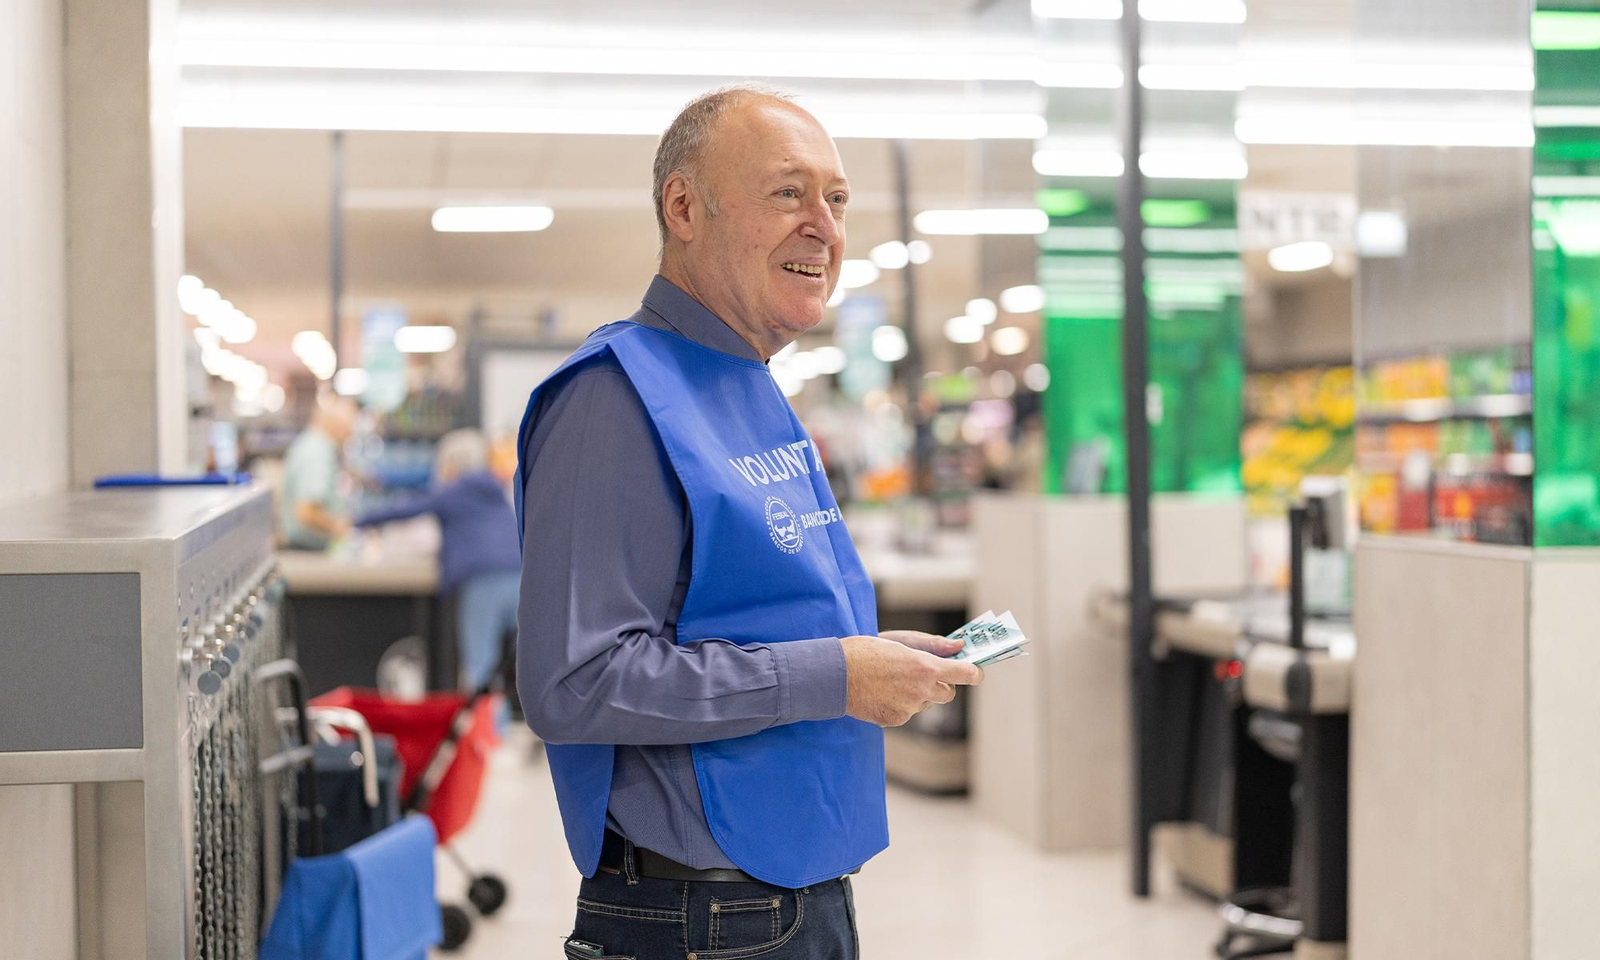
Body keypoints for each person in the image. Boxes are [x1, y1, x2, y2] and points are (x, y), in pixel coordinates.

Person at [514, 84, 984, 960]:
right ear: (684, 207)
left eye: (836, 199)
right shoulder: (613, 399)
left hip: (790, 897)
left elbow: (756, 612)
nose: (825, 226)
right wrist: (834, 677)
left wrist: (874, 661)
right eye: (788, 192)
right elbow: (573, 681)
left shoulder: (749, 385)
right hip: (704, 920)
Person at [354, 429, 521, 690]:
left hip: (483, 580)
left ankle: (485, 729)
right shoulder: (494, 490)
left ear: (452, 465)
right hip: (519, 576)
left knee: (480, 664)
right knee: (519, 659)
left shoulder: (456, 490)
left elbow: (406, 508)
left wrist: (356, 521)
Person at [279, 392, 359, 550]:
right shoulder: (318, 452)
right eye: (348, 427)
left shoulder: (311, 444)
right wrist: (341, 528)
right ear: (336, 424)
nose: (350, 435)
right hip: (306, 551)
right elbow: (306, 512)